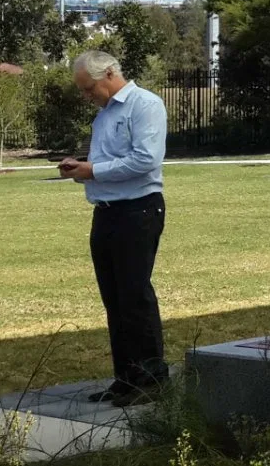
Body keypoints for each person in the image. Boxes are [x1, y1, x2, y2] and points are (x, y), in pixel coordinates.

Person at [57, 50, 170, 405]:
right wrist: (82, 169)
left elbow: (145, 160)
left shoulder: (144, 105)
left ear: (108, 74)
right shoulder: (104, 115)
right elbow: (107, 163)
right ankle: (126, 377)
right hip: (106, 211)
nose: (86, 96)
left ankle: (152, 380)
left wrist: (94, 171)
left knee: (135, 296)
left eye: (89, 88)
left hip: (138, 210)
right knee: (115, 299)